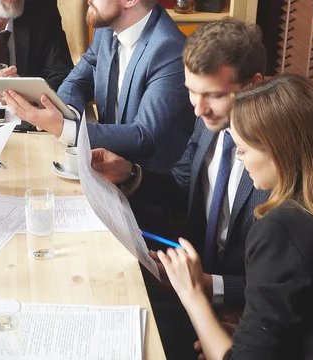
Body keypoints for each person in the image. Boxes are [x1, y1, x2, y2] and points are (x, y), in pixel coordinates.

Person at [90, 18, 268, 358]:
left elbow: (287, 278)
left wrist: (208, 286)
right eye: (191, 90)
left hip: (243, 312)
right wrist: (129, 173)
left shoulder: (278, 161)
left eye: (213, 95)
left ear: (253, 85)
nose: (198, 109)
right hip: (189, 286)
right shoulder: (209, 123)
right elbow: (183, 183)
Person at [159, 74, 313, 359]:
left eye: (243, 150)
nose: (239, 159)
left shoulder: (280, 229)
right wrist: (247, 339)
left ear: (278, 150)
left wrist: (192, 294)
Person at [5, 0, 194, 171]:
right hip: (102, 169)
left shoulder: (169, 50)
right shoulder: (107, 29)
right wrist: (66, 112)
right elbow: (78, 79)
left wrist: (65, 128)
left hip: (144, 189)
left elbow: (144, 136)